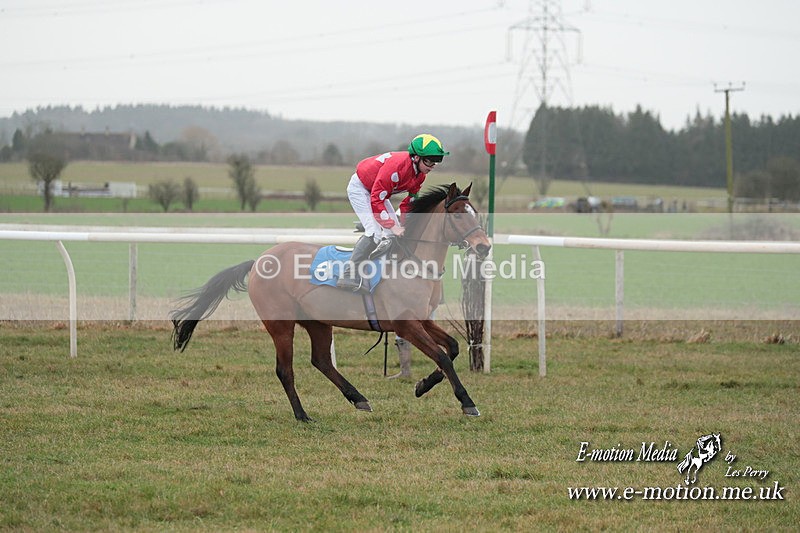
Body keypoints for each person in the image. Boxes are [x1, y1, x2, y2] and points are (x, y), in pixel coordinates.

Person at [337, 133, 449, 292]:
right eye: (429, 161)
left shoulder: (420, 176)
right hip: (361, 189)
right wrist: (391, 225)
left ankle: (385, 270)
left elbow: (409, 203)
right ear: (416, 158)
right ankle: (348, 274)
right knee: (374, 232)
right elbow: (376, 199)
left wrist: (402, 224)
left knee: (391, 234)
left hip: (377, 193)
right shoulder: (396, 168)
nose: (432, 166)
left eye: (436, 161)